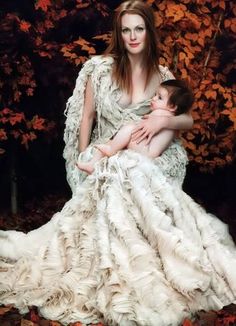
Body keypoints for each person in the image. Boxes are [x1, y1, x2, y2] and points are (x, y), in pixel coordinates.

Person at [0, 1, 236, 326]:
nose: (132, 36)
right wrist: (82, 160)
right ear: (119, 33)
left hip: (144, 161)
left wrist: (159, 123)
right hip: (106, 158)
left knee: (139, 187)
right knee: (113, 182)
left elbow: (187, 119)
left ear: (149, 32)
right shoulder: (98, 69)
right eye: (126, 30)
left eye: (139, 28)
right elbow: (85, 120)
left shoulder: (163, 76)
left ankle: (151, 273)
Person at [77, 79, 194, 174]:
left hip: (146, 152)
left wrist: (127, 131)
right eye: (155, 95)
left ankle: (106, 152)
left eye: (159, 97)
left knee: (129, 128)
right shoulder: (171, 118)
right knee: (112, 141)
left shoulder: (161, 114)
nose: (153, 98)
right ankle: (93, 164)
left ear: (173, 107)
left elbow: (139, 128)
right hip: (146, 150)